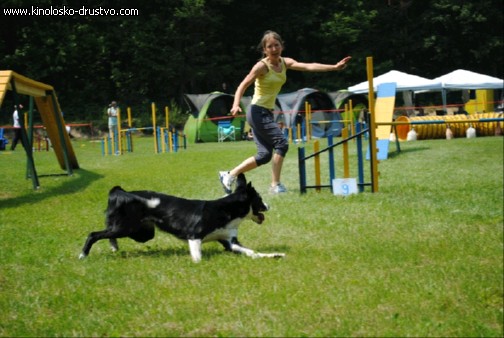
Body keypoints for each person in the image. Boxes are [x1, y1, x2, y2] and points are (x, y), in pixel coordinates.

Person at [219, 30, 351, 194]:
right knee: (282, 143)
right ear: (265, 50)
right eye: (270, 46)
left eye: (276, 45)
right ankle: (275, 185)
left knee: (264, 155)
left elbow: (308, 66)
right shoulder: (261, 66)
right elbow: (243, 85)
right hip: (256, 111)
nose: (274, 49)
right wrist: (236, 103)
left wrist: (334, 67)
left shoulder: (285, 62)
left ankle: (229, 175)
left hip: (266, 112)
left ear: (281, 46)